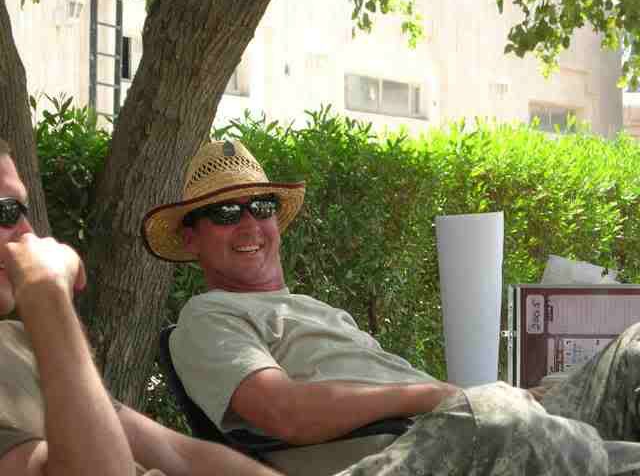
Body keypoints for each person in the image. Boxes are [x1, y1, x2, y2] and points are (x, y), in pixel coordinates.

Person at [141, 140, 640, 476]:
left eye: (262, 207)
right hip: (399, 456)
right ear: (191, 237)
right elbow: (284, 412)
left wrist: (496, 396)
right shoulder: (208, 318)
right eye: (226, 212)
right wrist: (434, 395)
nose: (250, 223)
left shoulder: (314, 310)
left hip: (450, 429)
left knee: (631, 352)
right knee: (501, 418)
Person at [0, 138, 282, 476]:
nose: (27, 233)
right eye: (5, 212)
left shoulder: (19, 342)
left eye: (23, 211)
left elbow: (178, 454)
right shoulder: (43, 329)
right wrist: (47, 296)